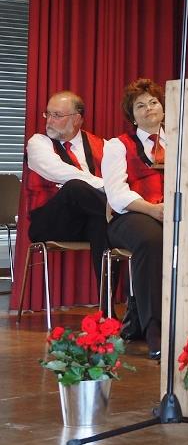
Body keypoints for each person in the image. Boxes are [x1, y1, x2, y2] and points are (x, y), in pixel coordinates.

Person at [102, 79, 167, 360]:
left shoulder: (180, 138)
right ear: (132, 115)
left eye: (153, 102)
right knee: (152, 239)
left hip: (173, 212)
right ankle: (156, 332)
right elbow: (116, 194)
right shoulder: (117, 145)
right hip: (131, 215)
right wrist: (152, 210)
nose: (149, 108)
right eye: (140, 105)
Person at [23, 91, 110, 298]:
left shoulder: (103, 145)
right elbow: (60, 171)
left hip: (88, 221)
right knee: (74, 187)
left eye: (57, 115)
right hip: (49, 223)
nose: (49, 121)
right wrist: (108, 190)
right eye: (48, 114)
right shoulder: (38, 143)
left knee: (100, 224)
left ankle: (106, 309)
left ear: (77, 118)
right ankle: (126, 213)